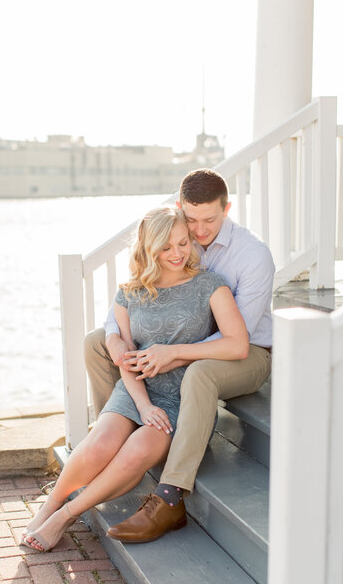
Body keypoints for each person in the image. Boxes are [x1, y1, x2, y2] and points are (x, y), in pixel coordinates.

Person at [21, 204, 248, 551]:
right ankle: (51, 504)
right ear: (148, 248)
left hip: (184, 396)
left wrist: (175, 355)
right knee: (100, 443)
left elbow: (237, 344)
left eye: (183, 243)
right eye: (166, 246)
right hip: (136, 391)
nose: (177, 253)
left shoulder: (210, 285)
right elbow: (125, 359)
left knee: (135, 452)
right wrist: (142, 405)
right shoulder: (129, 292)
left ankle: (66, 516)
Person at [85, 168, 274, 544]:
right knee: (95, 342)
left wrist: (173, 354)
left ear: (227, 208)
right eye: (192, 220)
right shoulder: (176, 234)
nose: (200, 231)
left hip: (247, 354)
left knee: (200, 371)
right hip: (187, 344)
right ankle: (121, 433)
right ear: (178, 208)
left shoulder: (253, 256)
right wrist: (118, 341)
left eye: (210, 220)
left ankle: (170, 496)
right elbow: (134, 293)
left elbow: (237, 337)